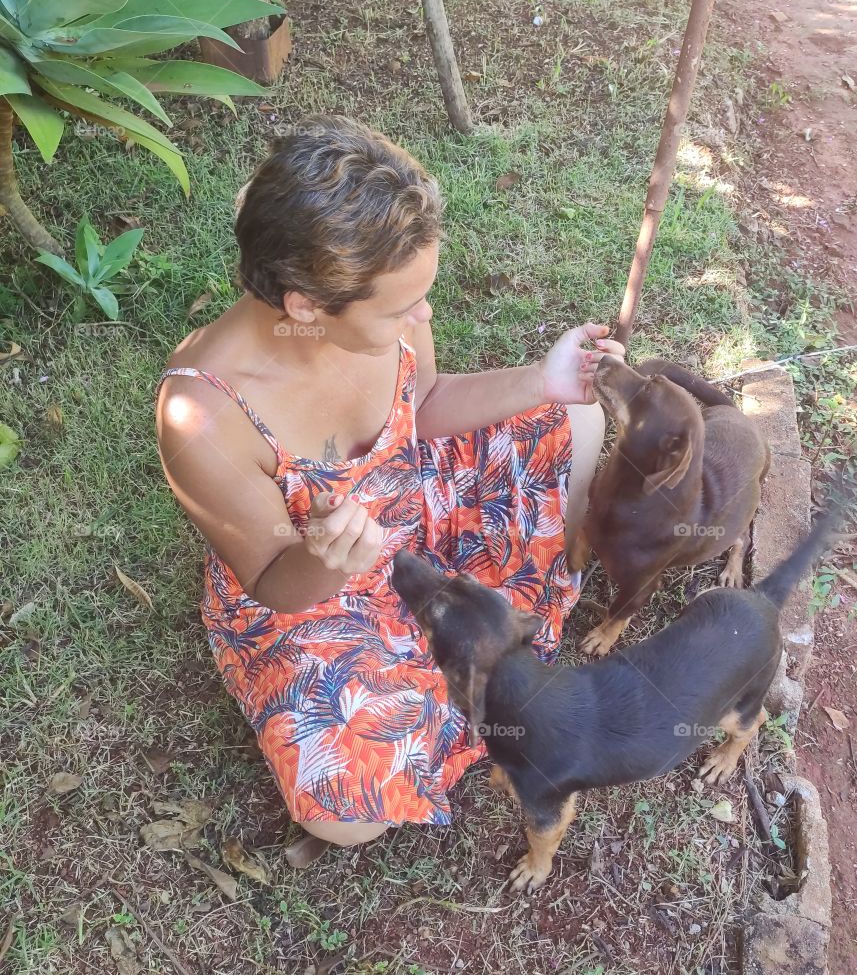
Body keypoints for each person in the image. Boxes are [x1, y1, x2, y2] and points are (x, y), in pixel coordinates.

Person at [155, 116, 621, 863]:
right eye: (402, 307)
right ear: (305, 305)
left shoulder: (387, 306)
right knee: (345, 812)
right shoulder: (203, 413)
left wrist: (544, 380)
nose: (423, 314)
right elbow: (271, 578)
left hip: (415, 492)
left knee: (577, 415)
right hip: (317, 589)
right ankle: (476, 647)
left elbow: (423, 403)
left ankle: (502, 618)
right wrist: (326, 558)